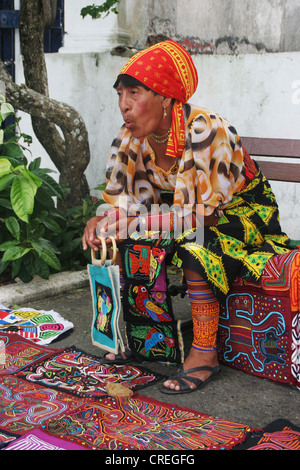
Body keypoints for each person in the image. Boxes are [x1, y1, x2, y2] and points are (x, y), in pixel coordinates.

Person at [82, 40, 291, 395]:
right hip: (181, 214)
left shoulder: (208, 130)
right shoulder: (130, 138)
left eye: (135, 93)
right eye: (120, 94)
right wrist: (100, 221)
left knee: (197, 249)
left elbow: (203, 217)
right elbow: (126, 204)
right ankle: (130, 337)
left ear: (165, 97)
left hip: (240, 215)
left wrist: (138, 222)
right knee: (115, 238)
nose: (124, 106)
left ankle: (204, 354)